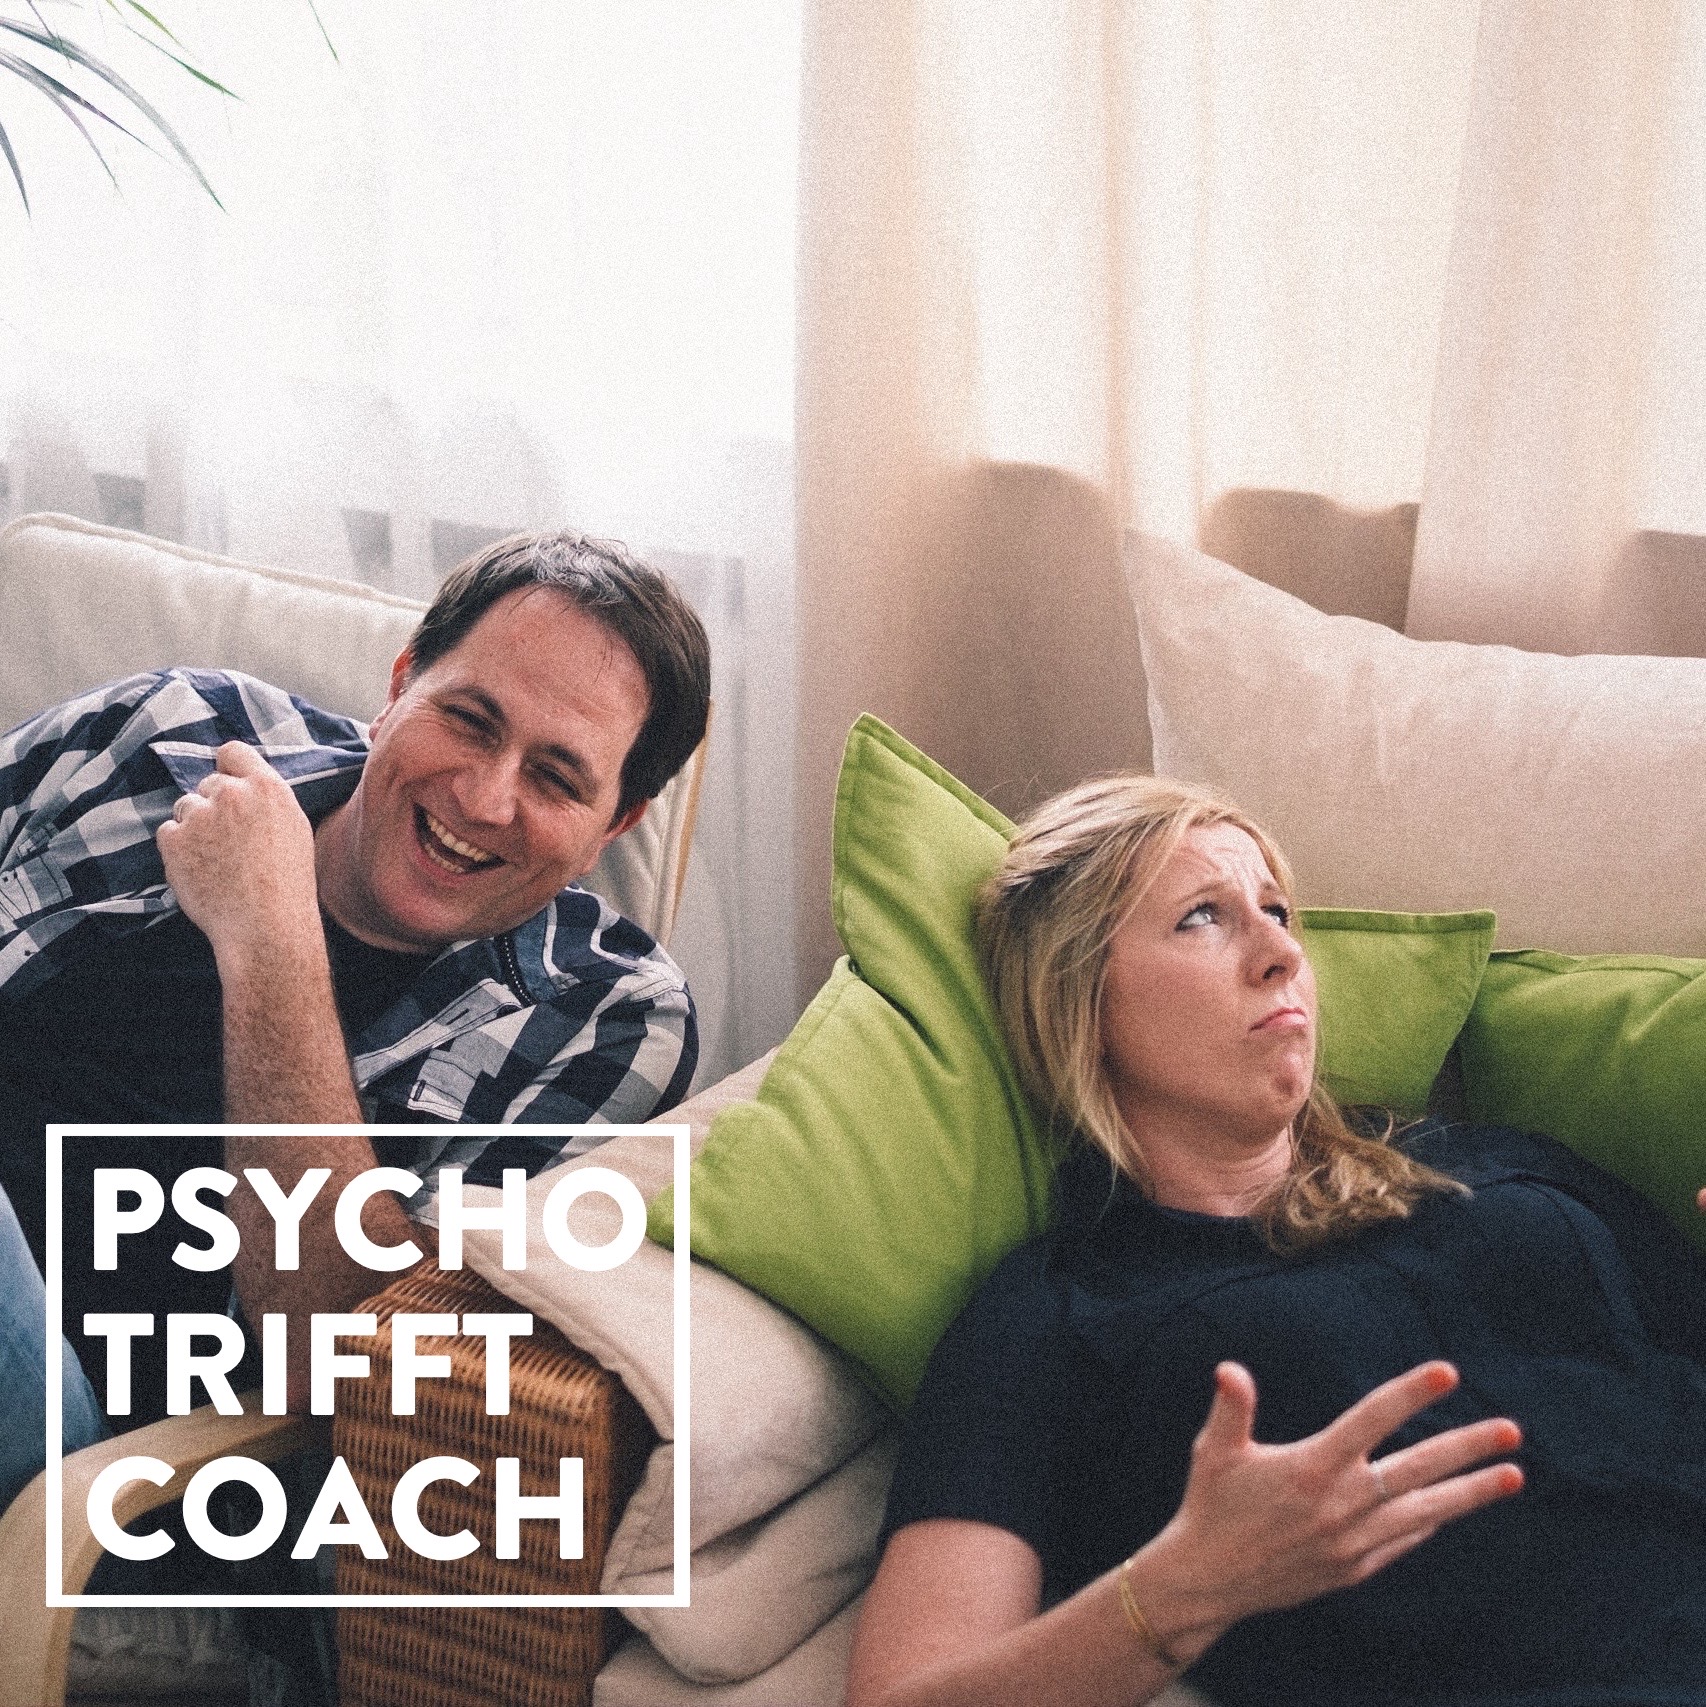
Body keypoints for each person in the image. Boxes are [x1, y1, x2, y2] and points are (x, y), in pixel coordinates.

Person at [849, 776, 1706, 1707]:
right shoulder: (1053, 1322)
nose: (1282, 952)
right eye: (1202, 917)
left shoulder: (1491, 1163)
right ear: (1079, 1004)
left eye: (1277, 910)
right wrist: (1184, 1588)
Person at [0, 528, 711, 1515]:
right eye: (468, 720)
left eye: (555, 778)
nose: (484, 798)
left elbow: (351, 1356)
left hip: (110, 1470)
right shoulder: (166, 733)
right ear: (400, 686)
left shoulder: (606, 1018)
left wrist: (270, 939)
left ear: (614, 824)